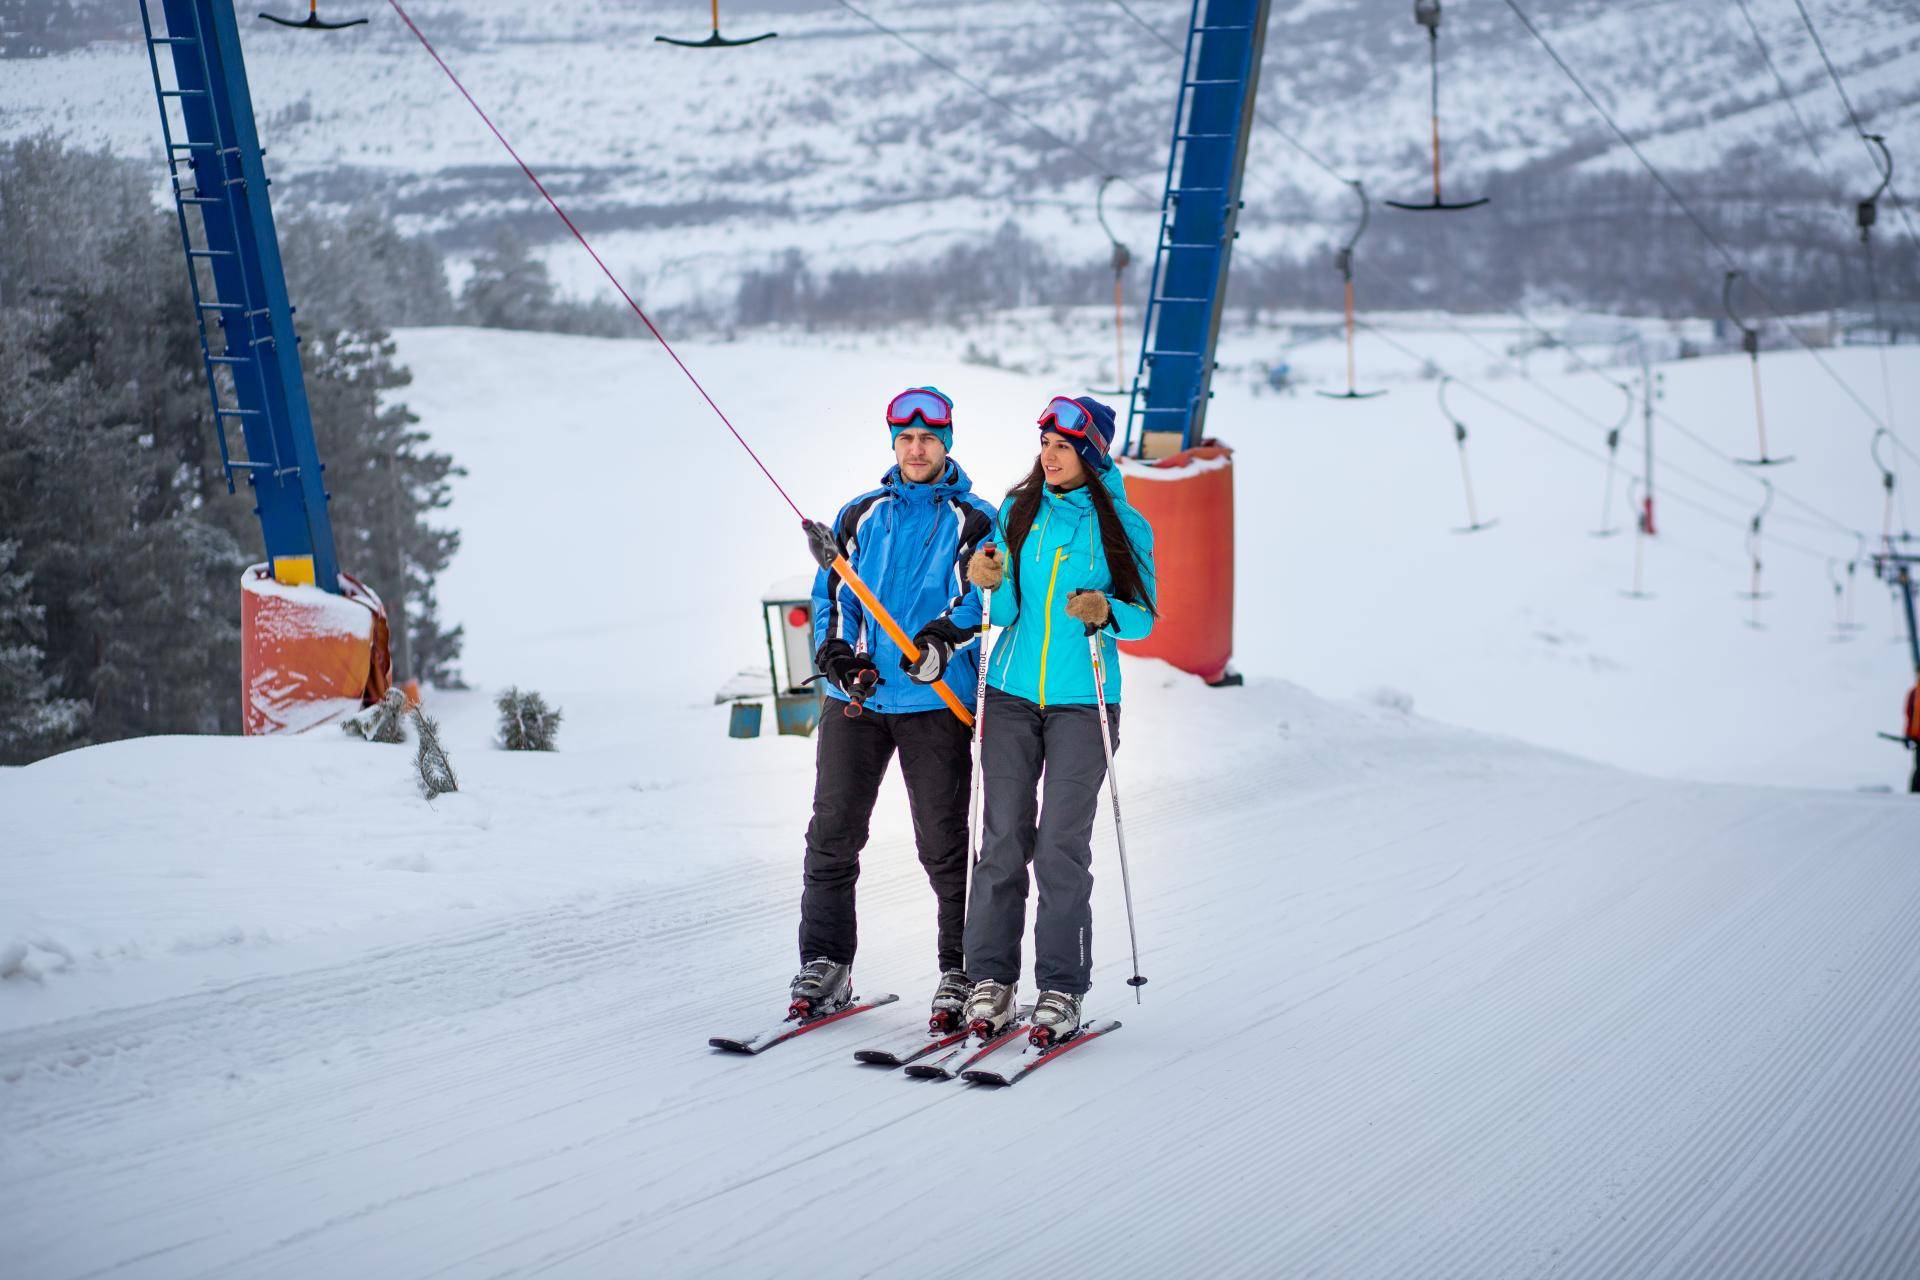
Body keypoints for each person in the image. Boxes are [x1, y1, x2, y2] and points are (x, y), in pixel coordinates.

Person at [937, 395, 1156, 1046]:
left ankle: (1061, 988)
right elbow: (1001, 609)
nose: (1050, 456)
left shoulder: (1122, 524)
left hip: (1082, 702)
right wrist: (986, 575)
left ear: (1089, 452)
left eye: (1063, 446)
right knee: (1002, 840)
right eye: (1046, 445)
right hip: (1007, 693)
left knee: (1061, 846)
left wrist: (1105, 609)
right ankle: (992, 982)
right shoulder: (1017, 509)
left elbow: (1143, 617)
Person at [789, 386, 998, 1033]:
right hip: (858, 698)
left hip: (934, 698)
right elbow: (835, 595)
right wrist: (838, 654)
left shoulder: (976, 517)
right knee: (832, 835)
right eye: (905, 439)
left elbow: (980, 598)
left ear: (947, 444)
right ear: (893, 444)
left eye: (928, 439)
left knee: (943, 843)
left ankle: (959, 969)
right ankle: (826, 962)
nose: (916, 449)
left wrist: (941, 638)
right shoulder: (859, 514)